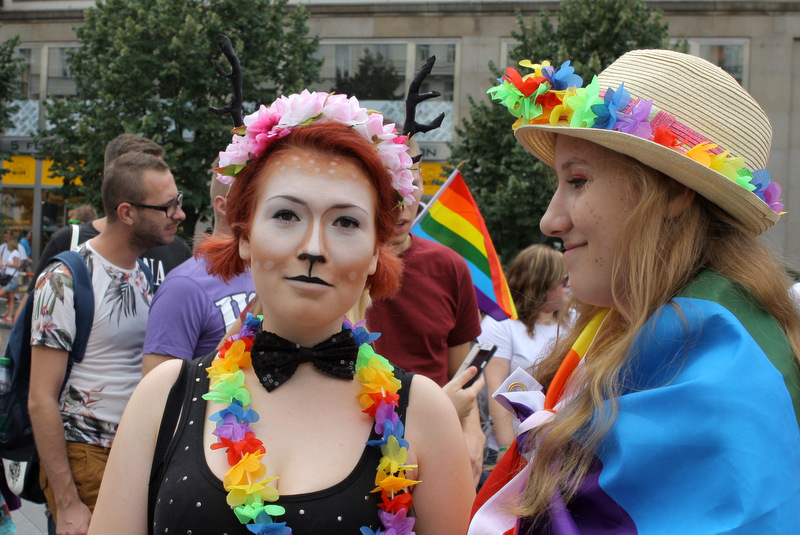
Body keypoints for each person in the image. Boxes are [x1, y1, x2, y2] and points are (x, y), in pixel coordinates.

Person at [88, 91, 475, 535]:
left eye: (346, 222)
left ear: (375, 251)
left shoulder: (425, 413)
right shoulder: (165, 397)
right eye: (287, 214)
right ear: (245, 235)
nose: (313, 248)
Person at [471, 49, 800, 533]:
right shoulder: (653, 327)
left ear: (671, 192)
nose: (550, 220)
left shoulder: (712, 352)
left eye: (577, 180)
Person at [28, 151, 185, 535]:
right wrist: (67, 502)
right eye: (168, 206)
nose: (179, 214)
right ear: (128, 212)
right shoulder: (64, 278)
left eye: (178, 202)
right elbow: (40, 398)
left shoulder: (147, 273)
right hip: (87, 457)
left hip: (139, 454)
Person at [365, 135, 485, 481]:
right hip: (353, 452)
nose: (404, 202)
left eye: (412, 184)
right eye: (390, 188)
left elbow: (462, 370)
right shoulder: (336, 268)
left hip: (435, 450)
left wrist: (472, 432)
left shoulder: (450, 266)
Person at [29, 134, 192, 293]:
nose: (180, 215)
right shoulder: (68, 248)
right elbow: (31, 315)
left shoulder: (175, 251)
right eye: (145, 167)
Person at [141, 169, 256, 375]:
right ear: (223, 206)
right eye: (254, 200)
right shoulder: (183, 285)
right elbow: (160, 392)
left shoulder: (271, 276)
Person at [480, 244, 571, 454]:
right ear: (542, 282)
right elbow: (497, 390)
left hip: (564, 445)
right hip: (519, 447)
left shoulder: (574, 319)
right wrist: (507, 449)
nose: (569, 285)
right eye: (564, 279)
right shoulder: (500, 325)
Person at [0, 230, 23, 322]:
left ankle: (11, 316)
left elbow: (16, 265)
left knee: (2, 293)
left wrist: (5, 263)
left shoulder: (15, 253)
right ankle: (9, 317)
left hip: (12, 278)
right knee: (10, 298)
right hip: (10, 277)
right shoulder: (12, 252)